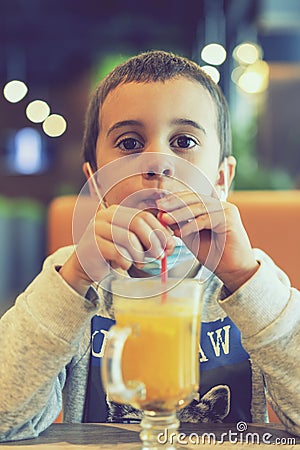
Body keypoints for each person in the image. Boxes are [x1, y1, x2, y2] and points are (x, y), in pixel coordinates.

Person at [0, 50, 299, 442]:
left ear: (221, 179)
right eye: (129, 143)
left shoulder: (256, 284)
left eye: (184, 140)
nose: (158, 164)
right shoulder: (69, 281)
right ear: (96, 183)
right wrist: (74, 278)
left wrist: (244, 278)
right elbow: (7, 419)